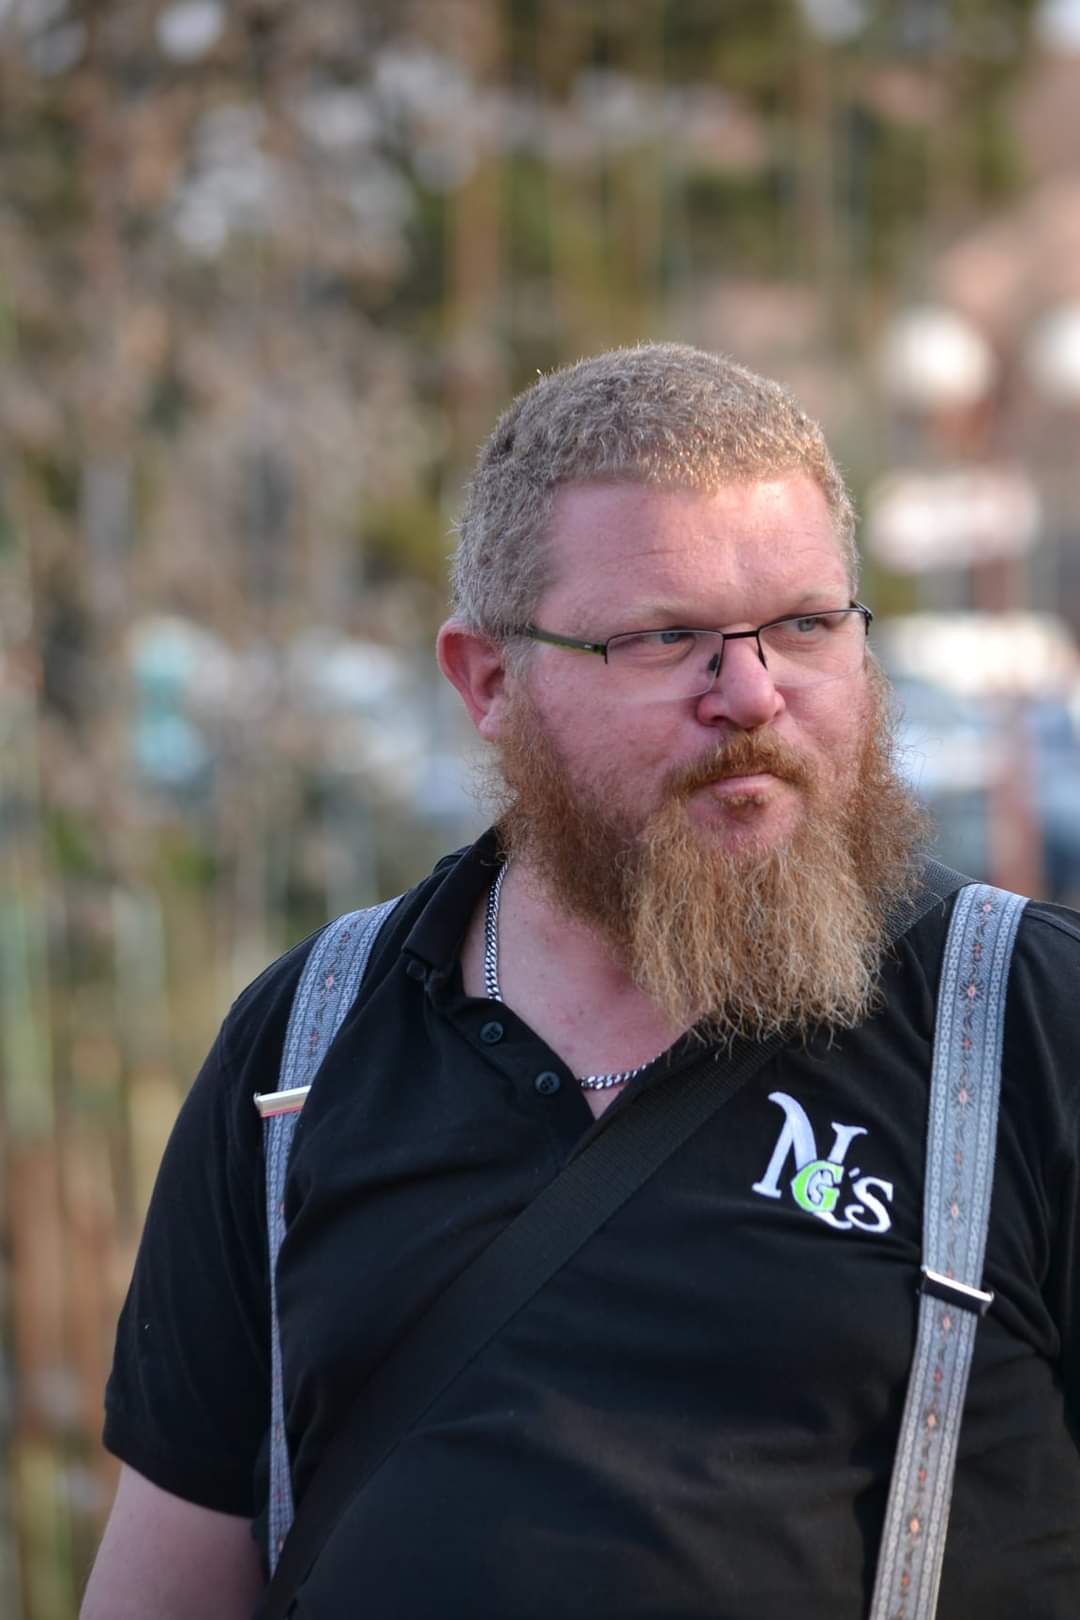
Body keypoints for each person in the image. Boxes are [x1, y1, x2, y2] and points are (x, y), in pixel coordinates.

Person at [82, 344, 1080, 1620]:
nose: (753, 693)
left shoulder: (1024, 1029)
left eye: (805, 625)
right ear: (490, 681)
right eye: (667, 638)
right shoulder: (304, 1049)